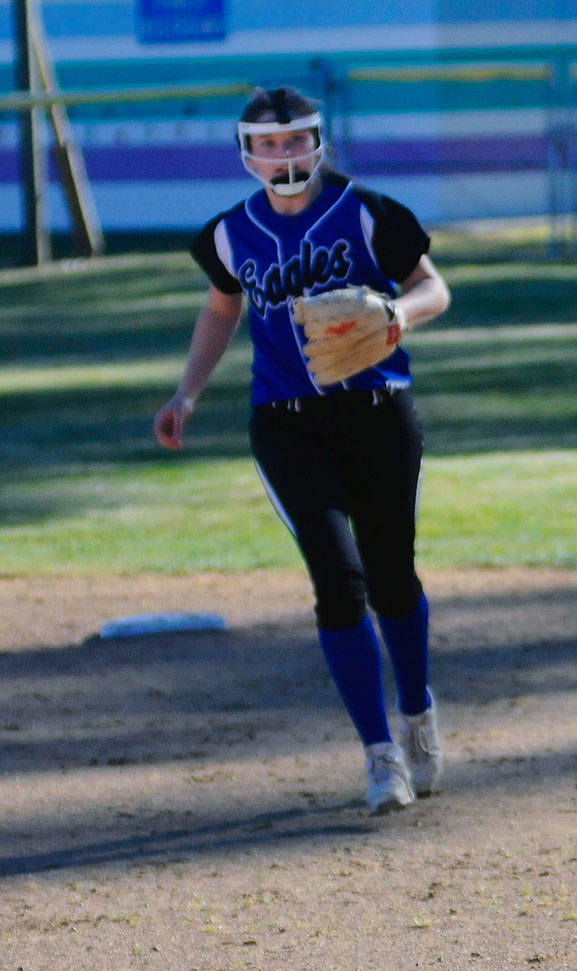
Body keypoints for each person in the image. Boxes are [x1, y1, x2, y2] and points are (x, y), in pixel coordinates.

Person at [154, 86, 450, 816]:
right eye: (269, 143)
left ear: (317, 141)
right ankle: (381, 755)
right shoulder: (231, 233)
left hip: (378, 412)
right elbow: (223, 307)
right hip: (286, 424)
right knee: (338, 582)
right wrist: (187, 392)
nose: (284, 155)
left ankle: (416, 709)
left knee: (391, 576)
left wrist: (392, 313)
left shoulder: (366, 211)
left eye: (296, 139)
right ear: (247, 152)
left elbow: (432, 288)